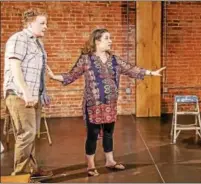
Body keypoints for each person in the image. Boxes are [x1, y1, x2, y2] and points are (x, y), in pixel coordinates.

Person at [47, 28, 166, 176]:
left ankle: (110, 160)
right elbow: (72, 75)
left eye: (110, 38)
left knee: (109, 132)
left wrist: (151, 73)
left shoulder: (114, 59)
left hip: (110, 103)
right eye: (107, 38)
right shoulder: (86, 59)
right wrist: (54, 77)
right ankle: (90, 164)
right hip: (94, 104)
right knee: (93, 134)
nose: (110, 41)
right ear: (97, 41)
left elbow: (131, 69)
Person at [3, 8, 53, 180]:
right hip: (19, 95)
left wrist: (41, 92)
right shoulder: (19, 39)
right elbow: (15, 67)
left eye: (46, 23)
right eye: (42, 23)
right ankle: (20, 175)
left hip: (34, 95)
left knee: (32, 134)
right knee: (26, 134)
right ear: (30, 23)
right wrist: (25, 92)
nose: (46, 27)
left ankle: (32, 169)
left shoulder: (37, 43)